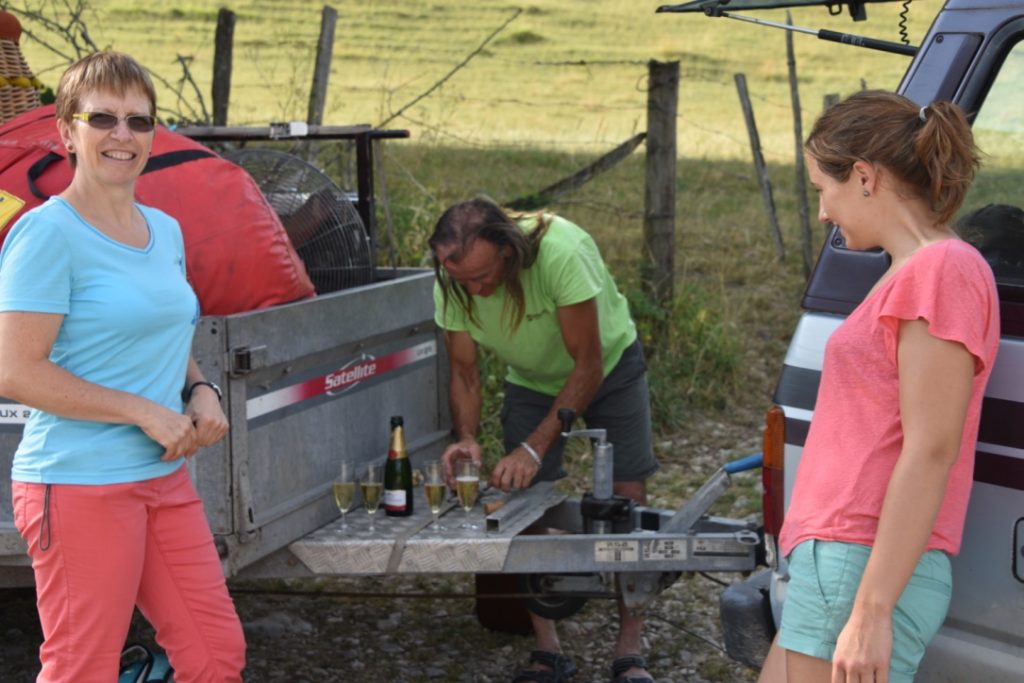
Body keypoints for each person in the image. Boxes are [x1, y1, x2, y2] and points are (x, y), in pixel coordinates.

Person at [0, 51, 246, 682]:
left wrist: (200, 388)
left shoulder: (163, 230)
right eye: (102, 118)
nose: (122, 135)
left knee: (215, 657)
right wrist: (141, 411)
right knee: (83, 669)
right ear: (66, 132)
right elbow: (15, 371)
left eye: (139, 122)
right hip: (79, 484)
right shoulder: (46, 234)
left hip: (162, 481)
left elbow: (159, 330)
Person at [758, 90, 999, 683]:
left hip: (859, 561)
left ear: (864, 177)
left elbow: (931, 449)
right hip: (839, 557)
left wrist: (871, 611)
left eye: (823, 189)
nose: (822, 213)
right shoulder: (909, 272)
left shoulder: (942, 271)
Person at [430, 198, 659, 683]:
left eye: (483, 276)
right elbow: (465, 372)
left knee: (627, 499)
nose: (475, 289)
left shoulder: (561, 252)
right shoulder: (453, 281)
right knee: (525, 503)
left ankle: (629, 648)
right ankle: (548, 648)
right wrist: (467, 438)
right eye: (463, 281)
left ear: (509, 251)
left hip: (610, 367)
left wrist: (533, 448)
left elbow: (588, 366)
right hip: (532, 381)